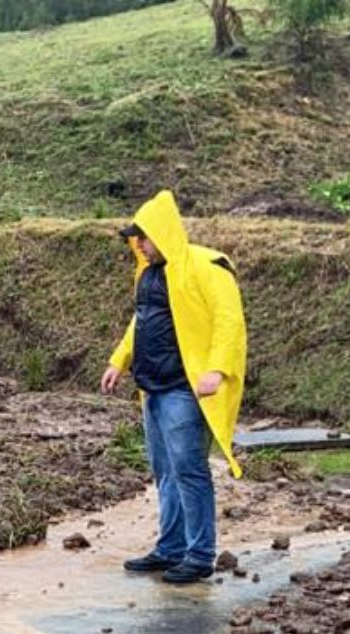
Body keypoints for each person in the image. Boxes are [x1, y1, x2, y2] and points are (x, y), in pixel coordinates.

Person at [99, 190, 248, 584]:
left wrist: (217, 370)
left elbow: (228, 321)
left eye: (143, 237)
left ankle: (199, 555)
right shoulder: (149, 275)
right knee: (165, 471)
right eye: (135, 238)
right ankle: (170, 548)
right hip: (153, 387)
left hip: (185, 388)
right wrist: (119, 360)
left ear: (162, 232)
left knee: (189, 471)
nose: (138, 245)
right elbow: (142, 321)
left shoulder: (206, 266)